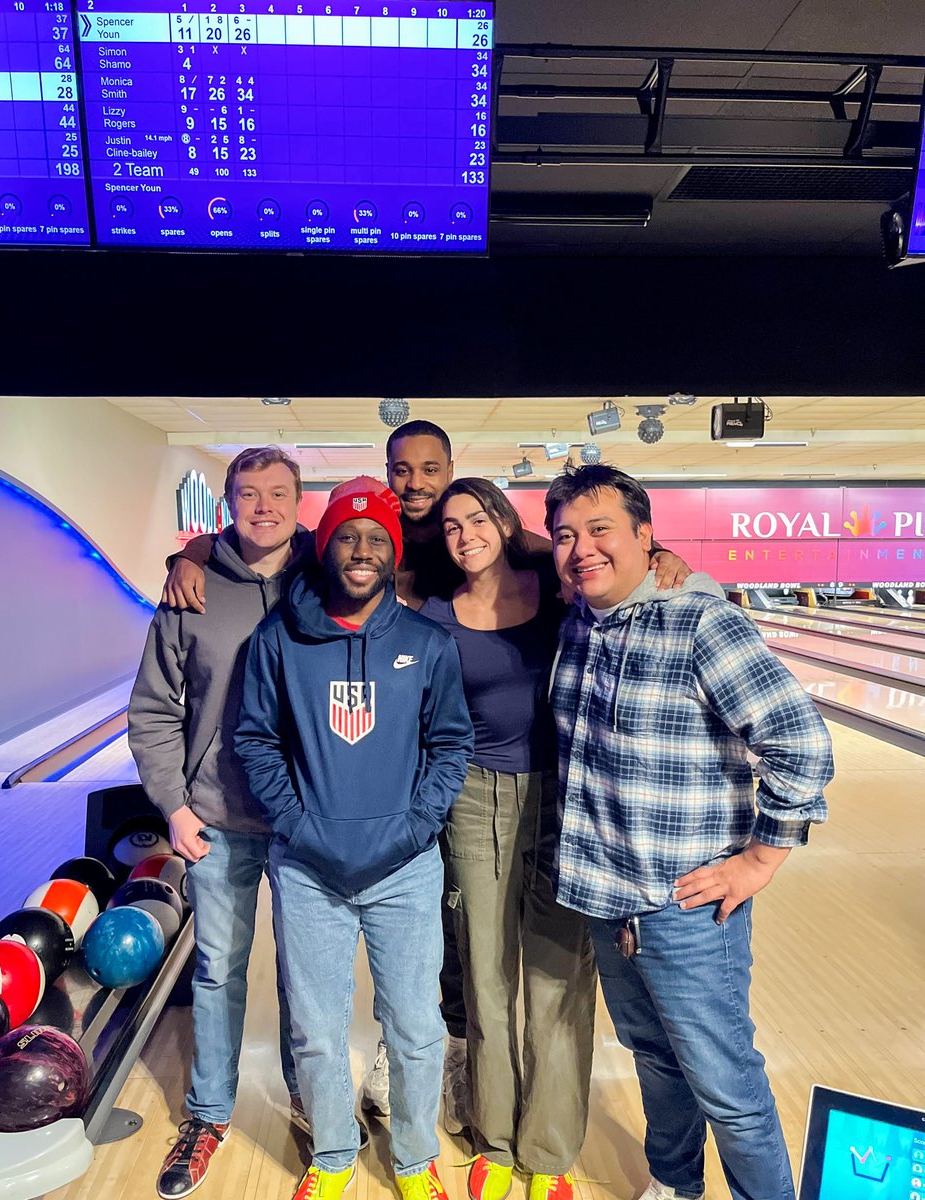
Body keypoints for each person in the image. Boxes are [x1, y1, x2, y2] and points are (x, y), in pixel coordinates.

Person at [160, 420, 690, 1133]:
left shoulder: (514, 568)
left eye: (431, 471)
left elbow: (565, 552)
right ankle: (252, 1113)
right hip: (321, 809)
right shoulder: (348, 564)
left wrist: (658, 553)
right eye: (401, 471)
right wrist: (192, 552)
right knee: (430, 964)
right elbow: (251, 578)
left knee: (513, 970)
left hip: (513, 800)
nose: (416, 485)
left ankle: (490, 1110)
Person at [543, 463, 834, 1200]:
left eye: (601, 529)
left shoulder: (703, 622)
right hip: (610, 901)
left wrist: (760, 860)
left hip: (688, 910)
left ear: (647, 537)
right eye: (566, 535)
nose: (583, 549)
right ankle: (676, 1185)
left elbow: (802, 743)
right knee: (654, 1061)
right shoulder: (577, 624)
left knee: (727, 1087)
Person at [235, 476, 475, 1200]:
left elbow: (451, 744)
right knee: (313, 1024)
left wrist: (414, 826)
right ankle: (335, 1153)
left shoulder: (427, 642)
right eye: (348, 536)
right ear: (326, 545)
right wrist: (301, 827)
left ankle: (412, 1156)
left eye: (377, 539)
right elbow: (255, 742)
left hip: (404, 867)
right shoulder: (278, 639)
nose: (362, 549)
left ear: (391, 554)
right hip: (308, 867)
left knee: (413, 1024)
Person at [129, 447, 316, 1200]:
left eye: (278, 493)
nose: (263, 506)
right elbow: (151, 710)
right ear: (228, 502)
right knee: (218, 971)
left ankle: (313, 1101)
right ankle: (208, 1116)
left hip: (307, 821)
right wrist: (173, 806)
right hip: (215, 817)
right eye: (248, 493)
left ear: (300, 503)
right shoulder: (191, 591)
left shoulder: (327, 579)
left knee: (310, 979)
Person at [421, 477, 597, 1200]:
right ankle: (494, 1141)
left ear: (502, 519)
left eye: (477, 518)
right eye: (452, 527)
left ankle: (548, 1154)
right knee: (486, 976)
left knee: (557, 978)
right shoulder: (436, 617)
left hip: (561, 798)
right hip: (471, 799)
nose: (465, 535)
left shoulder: (556, 592)